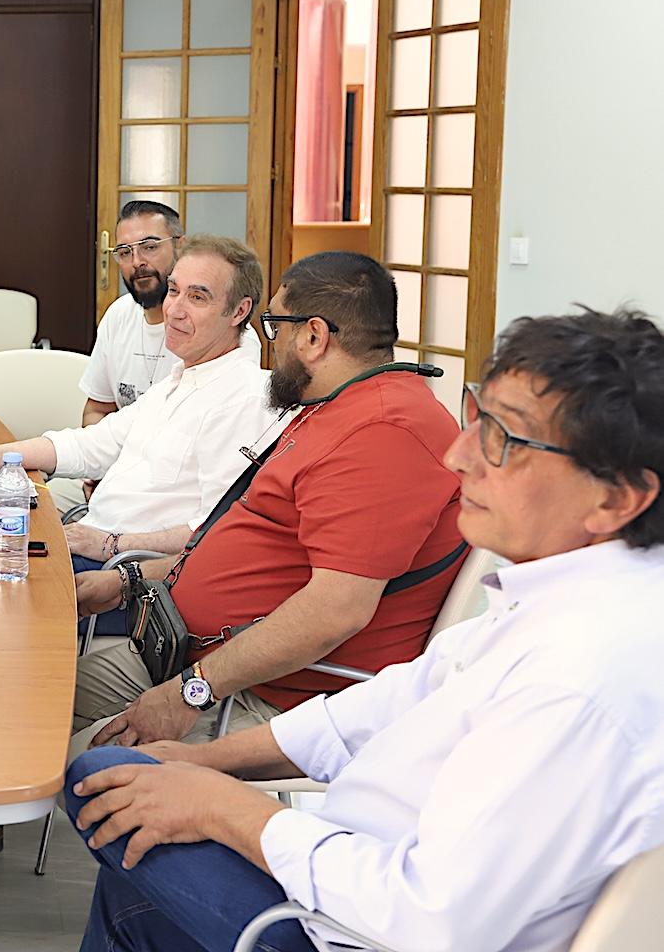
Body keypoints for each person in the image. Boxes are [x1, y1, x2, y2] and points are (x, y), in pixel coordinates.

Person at [66, 307, 664, 952]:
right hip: (347, 855)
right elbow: (393, 701)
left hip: (352, 927)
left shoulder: (580, 675)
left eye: (502, 439)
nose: (460, 456)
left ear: (617, 499)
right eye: (475, 416)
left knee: (104, 783)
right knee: (135, 830)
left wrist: (222, 805)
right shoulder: (560, 594)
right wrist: (200, 762)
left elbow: (429, 920)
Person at [0, 236, 277, 865]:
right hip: (88, 539)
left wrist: (106, 541)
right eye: (174, 291)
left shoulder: (242, 397)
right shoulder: (181, 377)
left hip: (128, 571)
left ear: (240, 312)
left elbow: (211, 533)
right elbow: (90, 444)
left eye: (198, 298)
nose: (175, 309)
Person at [73, 251, 464, 752]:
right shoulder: (332, 408)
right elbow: (255, 545)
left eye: (275, 325)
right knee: (28, 688)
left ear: (314, 336)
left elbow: (334, 613)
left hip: (263, 696)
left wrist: (188, 694)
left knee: (71, 762)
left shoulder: (386, 433)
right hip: (185, 655)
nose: (267, 343)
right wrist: (127, 581)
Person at [52, 202, 259, 514]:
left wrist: (122, 476)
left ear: (181, 246)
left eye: (149, 247)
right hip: (114, 469)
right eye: (124, 252)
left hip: (166, 494)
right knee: (39, 500)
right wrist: (103, 472)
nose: (137, 262)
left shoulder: (227, 342)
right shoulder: (118, 315)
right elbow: (97, 410)